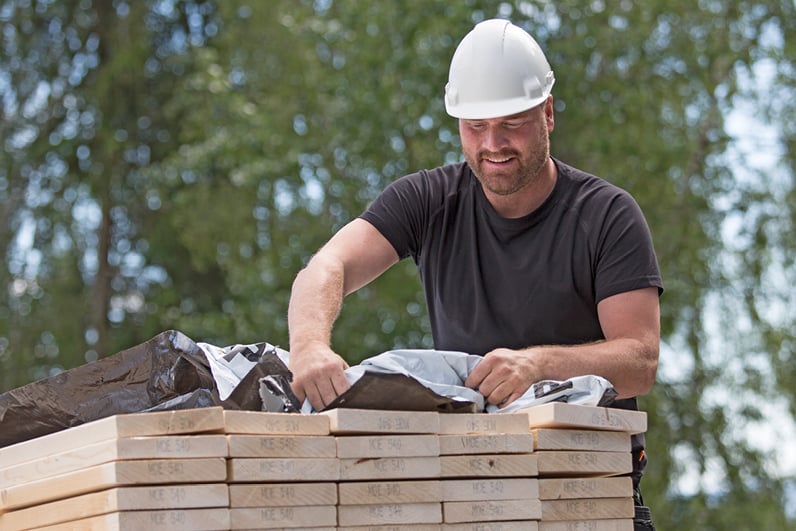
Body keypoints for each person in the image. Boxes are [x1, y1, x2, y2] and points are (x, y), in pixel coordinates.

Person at [287, 18, 661, 529]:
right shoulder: (427, 200)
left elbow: (640, 359)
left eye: (512, 123)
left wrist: (536, 367)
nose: (494, 144)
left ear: (547, 113)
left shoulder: (607, 215)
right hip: (468, 492)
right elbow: (328, 265)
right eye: (476, 126)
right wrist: (309, 346)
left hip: (588, 491)